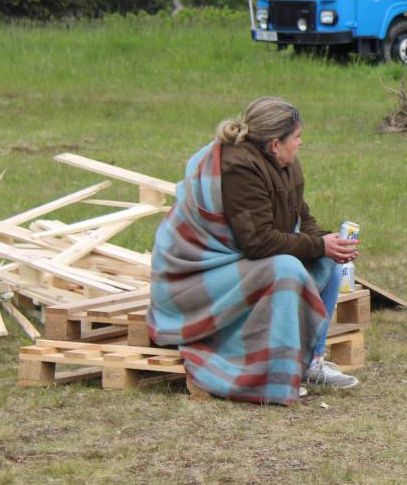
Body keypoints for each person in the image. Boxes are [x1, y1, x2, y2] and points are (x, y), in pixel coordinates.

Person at [148, 96, 360, 405]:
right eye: (297, 137)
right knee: (286, 269)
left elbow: (301, 215)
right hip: (196, 272)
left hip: (241, 259)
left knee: (327, 263)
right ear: (275, 144)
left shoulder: (285, 163)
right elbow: (258, 242)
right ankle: (271, 374)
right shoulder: (238, 168)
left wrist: (327, 243)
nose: (300, 143)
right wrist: (317, 245)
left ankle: (310, 362)